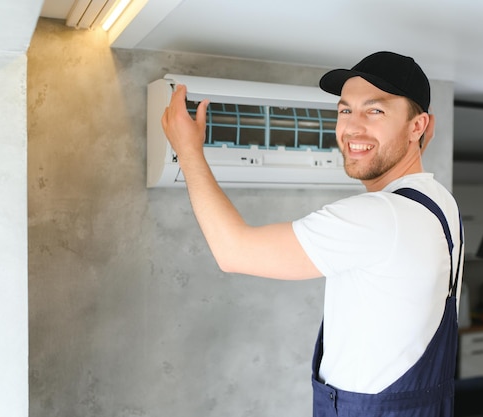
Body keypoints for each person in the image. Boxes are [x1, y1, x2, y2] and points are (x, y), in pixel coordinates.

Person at [161, 51, 464, 417]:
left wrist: (188, 149)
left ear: (418, 127)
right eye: (345, 110)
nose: (352, 127)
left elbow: (233, 251)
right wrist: (404, 141)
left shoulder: (379, 217)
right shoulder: (439, 204)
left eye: (375, 111)